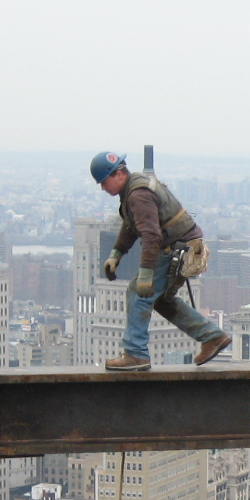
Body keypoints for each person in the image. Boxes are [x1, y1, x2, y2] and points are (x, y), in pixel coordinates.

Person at [90, 151, 232, 371]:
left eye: (104, 181)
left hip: (174, 248)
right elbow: (132, 226)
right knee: (163, 300)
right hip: (180, 246)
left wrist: (145, 275)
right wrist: (116, 253)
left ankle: (135, 353)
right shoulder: (134, 190)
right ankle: (212, 336)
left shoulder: (138, 194)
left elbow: (151, 235)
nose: (102, 187)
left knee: (138, 293)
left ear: (118, 174)